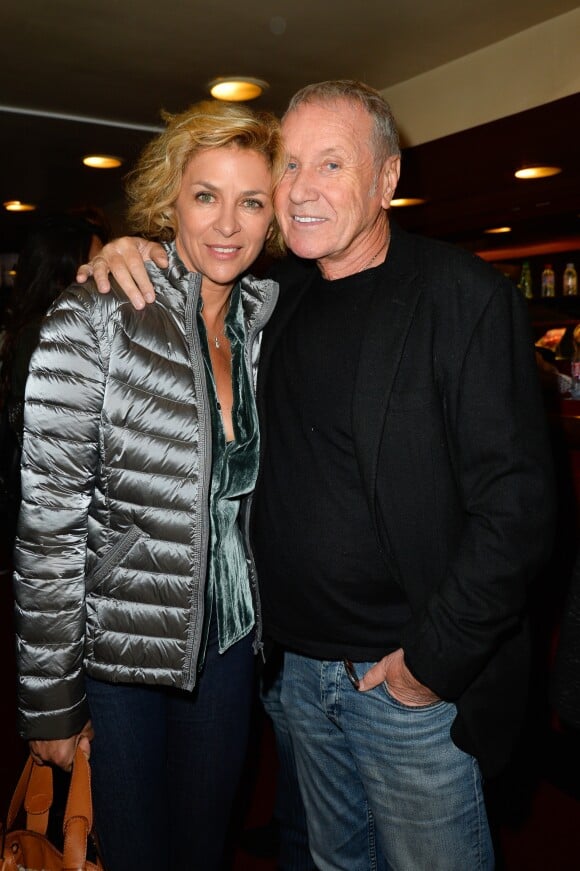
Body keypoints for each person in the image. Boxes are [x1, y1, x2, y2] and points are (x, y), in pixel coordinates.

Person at [79, 80, 555, 871]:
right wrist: (135, 248)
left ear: (387, 180)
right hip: (296, 680)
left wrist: (430, 664)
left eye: (331, 164)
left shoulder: (461, 297)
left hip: (406, 685)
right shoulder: (274, 297)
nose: (300, 189)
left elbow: (518, 510)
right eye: (291, 165)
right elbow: (202, 259)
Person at [13, 100, 284, 871]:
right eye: (206, 195)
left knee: (203, 849)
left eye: (251, 200)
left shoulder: (271, 321)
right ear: (171, 201)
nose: (227, 223)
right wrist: (51, 700)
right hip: (121, 654)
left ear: (273, 218)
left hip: (229, 648)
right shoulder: (98, 314)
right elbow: (49, 522)